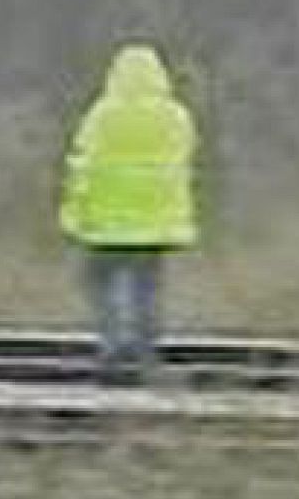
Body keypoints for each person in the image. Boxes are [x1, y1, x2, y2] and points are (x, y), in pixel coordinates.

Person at [60, 44, 198, 384]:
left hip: (104, 221)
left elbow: (81, 167)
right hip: (155, 225)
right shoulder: (175, 117)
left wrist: (73, 212)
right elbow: (184, 165)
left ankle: (112, 348)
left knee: (104, 286)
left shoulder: (101, 116)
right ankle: (144, 351)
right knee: (147, 289)